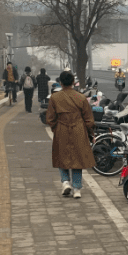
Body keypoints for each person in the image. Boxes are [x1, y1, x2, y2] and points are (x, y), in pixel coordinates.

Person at [46, 70, 95, 200]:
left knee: (61, 156)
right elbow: (89, 119)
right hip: (78, 129)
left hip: (61, 129)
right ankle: (77, 188)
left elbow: (50, 118)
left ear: (60, 83)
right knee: (77, 160)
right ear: (73, 82)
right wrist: (90, 133)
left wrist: (56, 128)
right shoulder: (81, 97)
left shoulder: (54, 98)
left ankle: (65, 181)